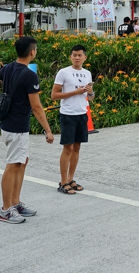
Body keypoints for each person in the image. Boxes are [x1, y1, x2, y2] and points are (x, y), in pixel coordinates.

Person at [0, 36, 54, 224]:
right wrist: (48, 131)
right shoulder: (30, 75)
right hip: (17, 127)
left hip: (10, 125)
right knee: (13, 164)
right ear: (32, 52)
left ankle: (15, 203)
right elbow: (36, 107)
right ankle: (5, 210)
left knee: (21, 162)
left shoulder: (8, 67)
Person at [51, 45, 94, 195]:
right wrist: (75, 92)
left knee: (77, 148)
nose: (77, 57)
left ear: (85, 57)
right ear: (70, 57)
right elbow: (54, 95)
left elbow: (91, 98)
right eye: (74, 55)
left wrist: (90, 92)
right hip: (68, 114)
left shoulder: (87, 73)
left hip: (82, 114)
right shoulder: (63, 72)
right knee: (67, 148)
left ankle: (71, 179)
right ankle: (63, 182)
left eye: (80, 55)